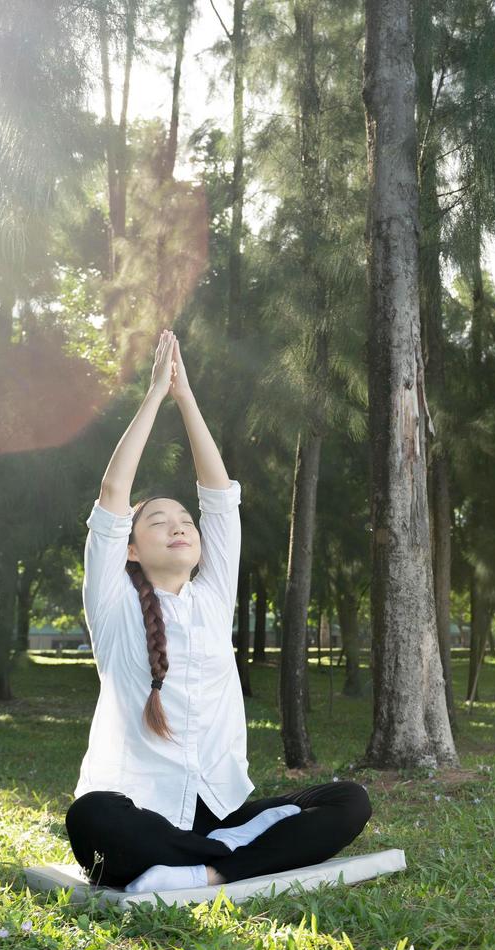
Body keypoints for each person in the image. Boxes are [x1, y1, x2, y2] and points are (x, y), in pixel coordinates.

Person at [65, 328, 371, 894]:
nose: (179, 525)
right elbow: (112, 492)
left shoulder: (211, 596)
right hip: (141, 813)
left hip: (222, 813)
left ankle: (206, 871)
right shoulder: (112, 604)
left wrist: (189, 399)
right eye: (158, 521)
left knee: (349, 801)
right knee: (91, 820)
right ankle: (230, 860)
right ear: (131, 548)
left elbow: (220, 494)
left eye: (184, 519)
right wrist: (157, 394)